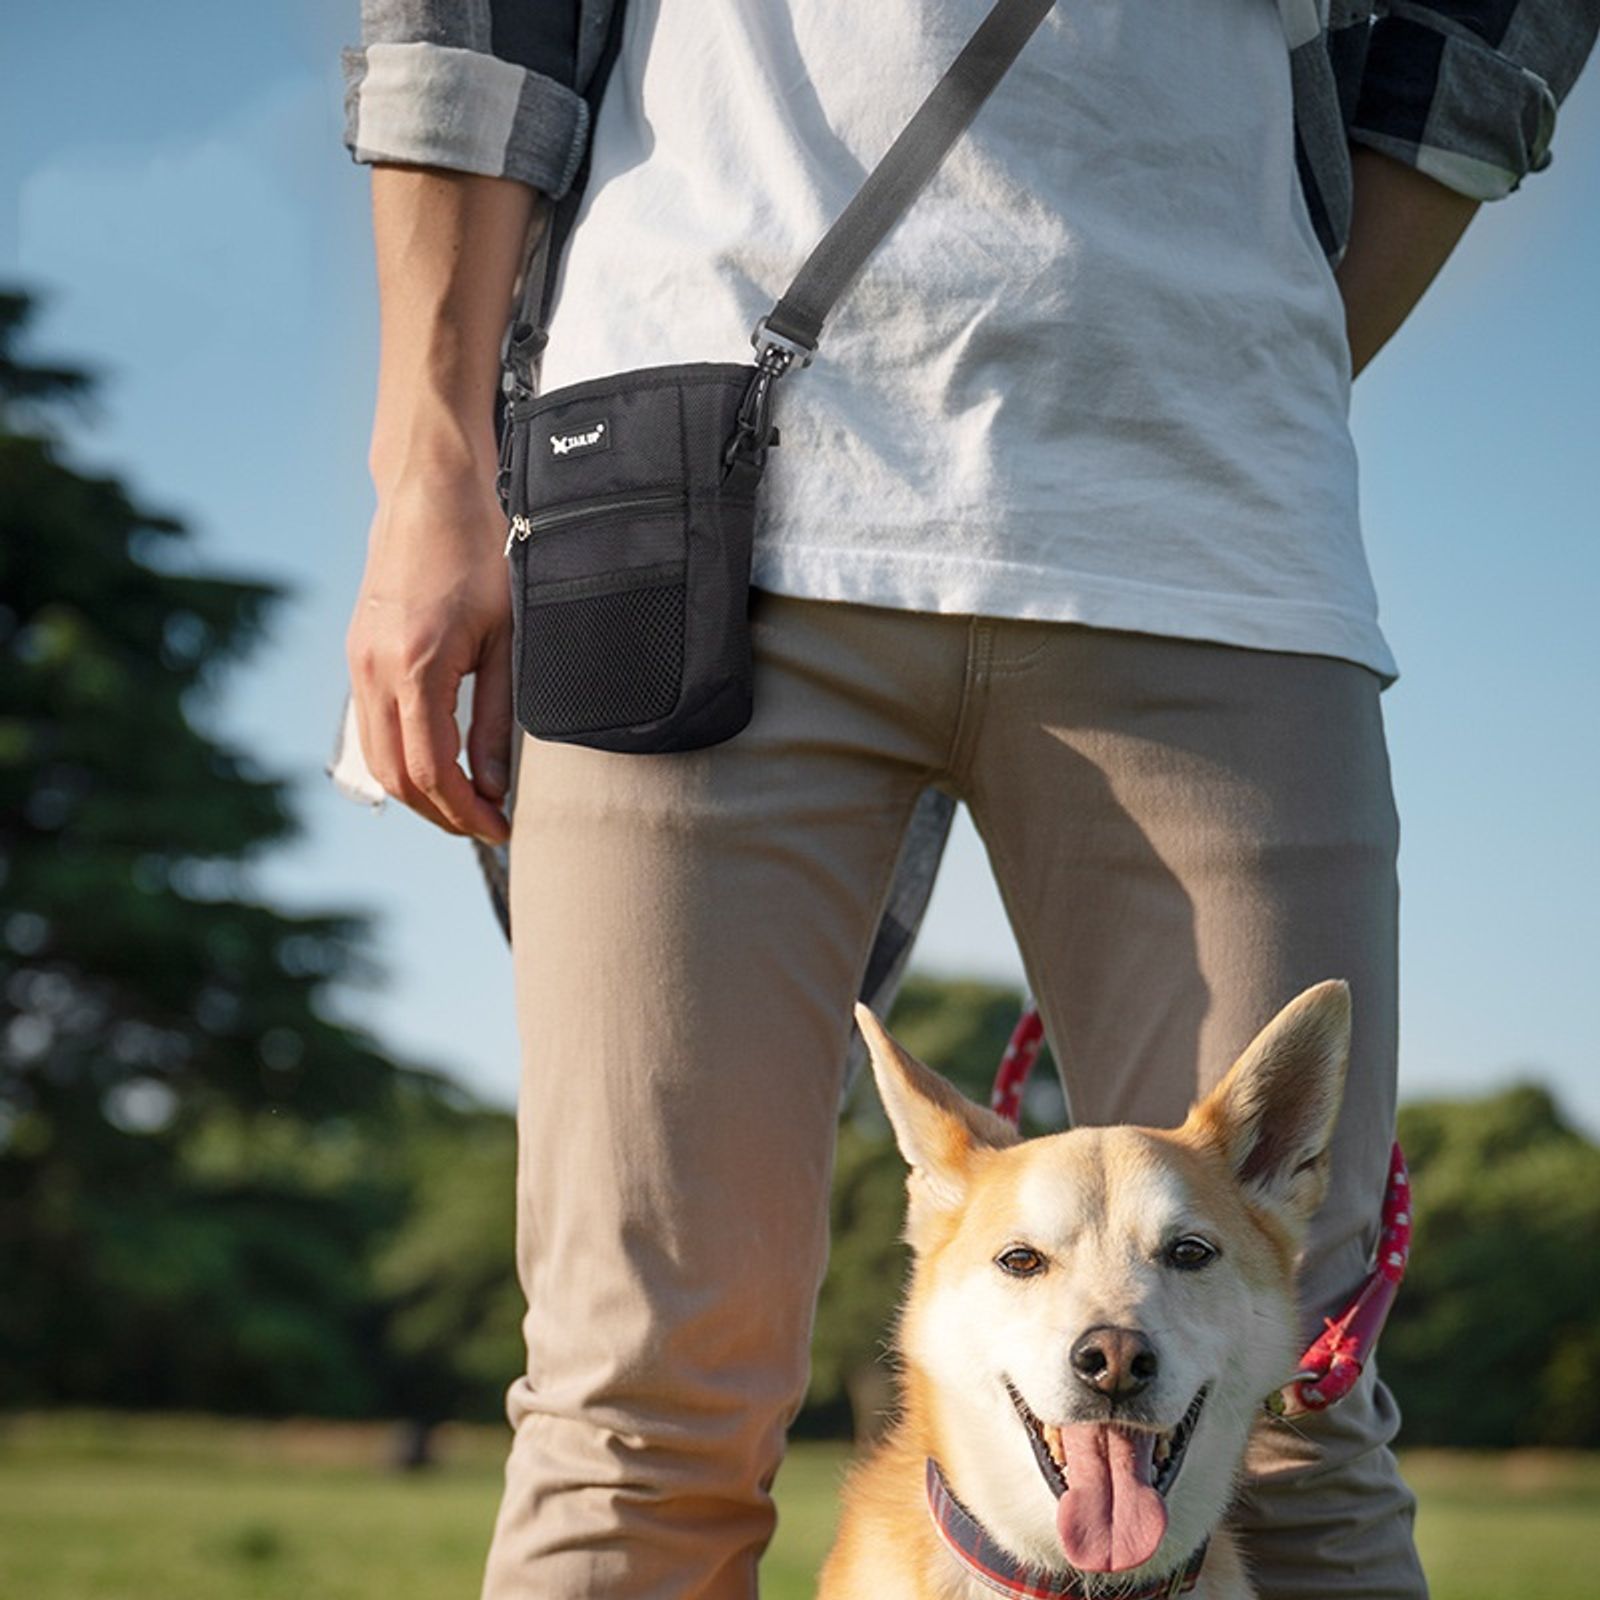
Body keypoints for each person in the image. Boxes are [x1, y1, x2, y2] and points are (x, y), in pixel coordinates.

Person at [337, 4, 1599, 1597]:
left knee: (1289, 1424)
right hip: (696, 489)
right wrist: (428, 462)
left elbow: (1483, 32)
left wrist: (1233, 359)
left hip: (1210, 534)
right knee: (636, 1416)